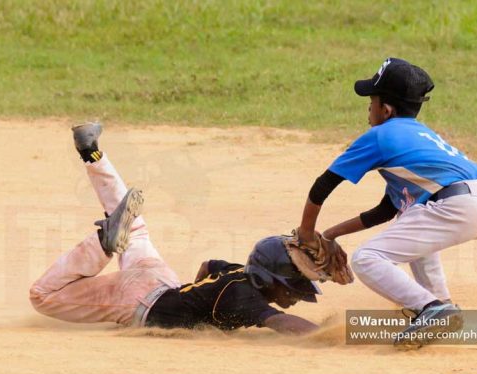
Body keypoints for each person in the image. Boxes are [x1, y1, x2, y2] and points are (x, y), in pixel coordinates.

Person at [29, 123, 319, 335]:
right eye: (290, 288)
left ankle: (92, 154)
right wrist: (344, 333)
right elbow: (280, 322)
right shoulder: (243, 298)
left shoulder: (238, 273)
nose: (295, 297)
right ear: (268, 279)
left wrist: (190, 305)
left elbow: (207, 266)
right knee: (42, 297)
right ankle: (103, 242)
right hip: (138, 300)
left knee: (134, 229)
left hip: (160, 285)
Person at [295, 58, 477, 346]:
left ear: (386, 110)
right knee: (410, 220)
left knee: (367, 258)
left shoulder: (380, 135)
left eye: (372, 101)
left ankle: (432, 310)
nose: (368, 108)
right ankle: (440, 305)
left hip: (455, 206)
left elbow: (323, 185)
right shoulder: (419, 134)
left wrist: (306, 233)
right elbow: (385, 211)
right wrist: (329, 235)